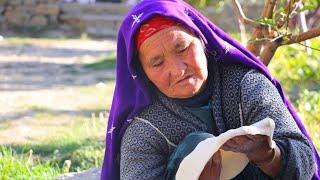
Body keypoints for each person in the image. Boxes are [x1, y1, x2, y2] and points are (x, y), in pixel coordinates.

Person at [101, 0, 320, 179]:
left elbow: (304, 160)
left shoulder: (246, 85)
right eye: (157, 63)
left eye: (183, 48)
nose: (178, 71)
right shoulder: (144, 128)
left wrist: (269, 156)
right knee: (195, 146)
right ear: (142, 73)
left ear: (202, 40)